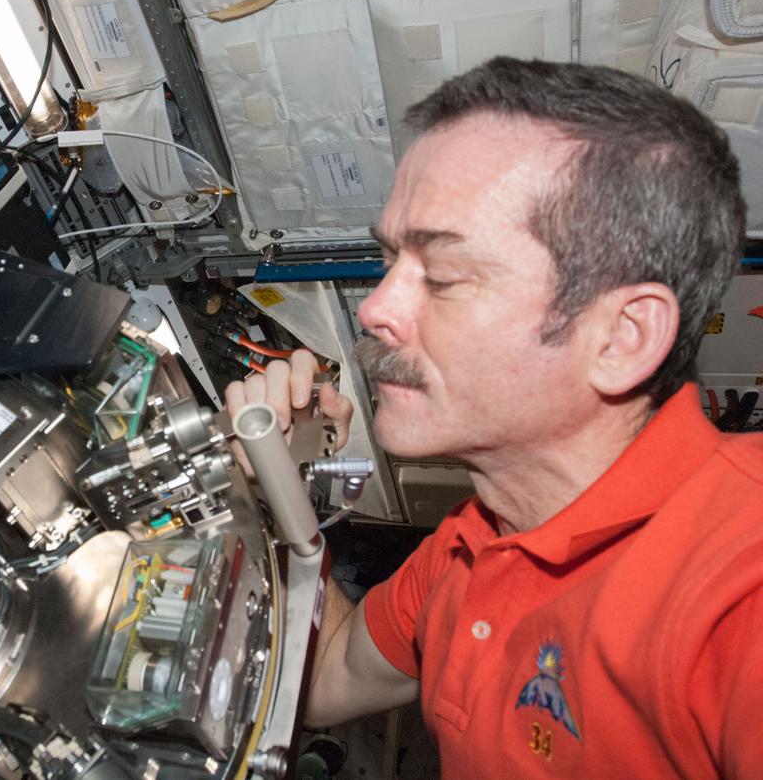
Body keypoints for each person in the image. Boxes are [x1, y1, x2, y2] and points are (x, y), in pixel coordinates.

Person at [225, 57, 763, 777]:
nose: (378, 310)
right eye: (389, 263)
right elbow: (323, 680)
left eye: (442, 276)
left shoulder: (738, 588)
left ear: (621, 337)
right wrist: (281, 489)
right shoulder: (472, 542)